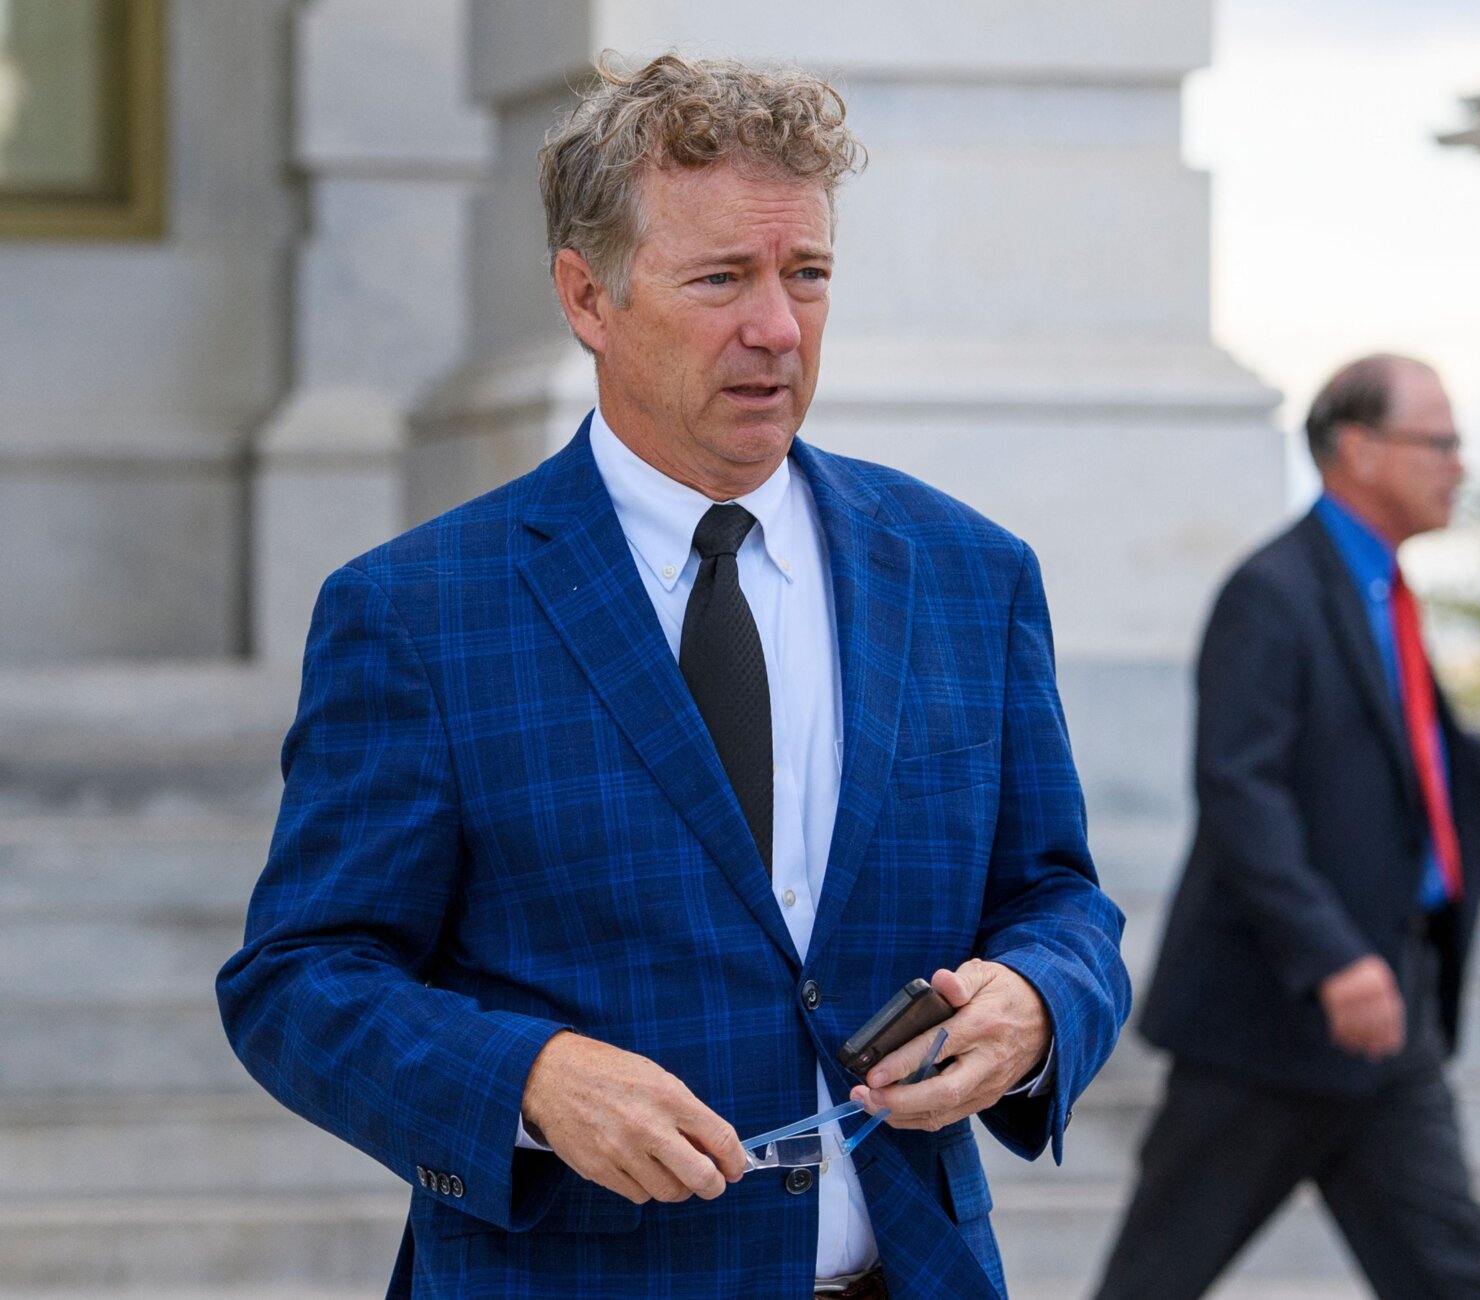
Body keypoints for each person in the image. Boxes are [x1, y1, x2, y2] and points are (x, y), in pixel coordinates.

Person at [216, 54, 1128, 1300]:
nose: (777, 326)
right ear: (588, 298)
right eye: (721, 280)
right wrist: (529, 1080)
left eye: (807, 275)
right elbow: (298, 980)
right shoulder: (418, 612)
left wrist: (1038, 1001)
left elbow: (1060, 899)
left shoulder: (969, 572)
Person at [1092, 355, 1480, 1300]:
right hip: (1272, 1024)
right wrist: (1332, 958)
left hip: (1387, 1009)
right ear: (1358, 449)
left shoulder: (1383, 593)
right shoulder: (1274, 592)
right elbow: (1241, 793)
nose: (1458, 463)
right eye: (1437, 441)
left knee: (1462, 1278)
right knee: (1153, 1281)